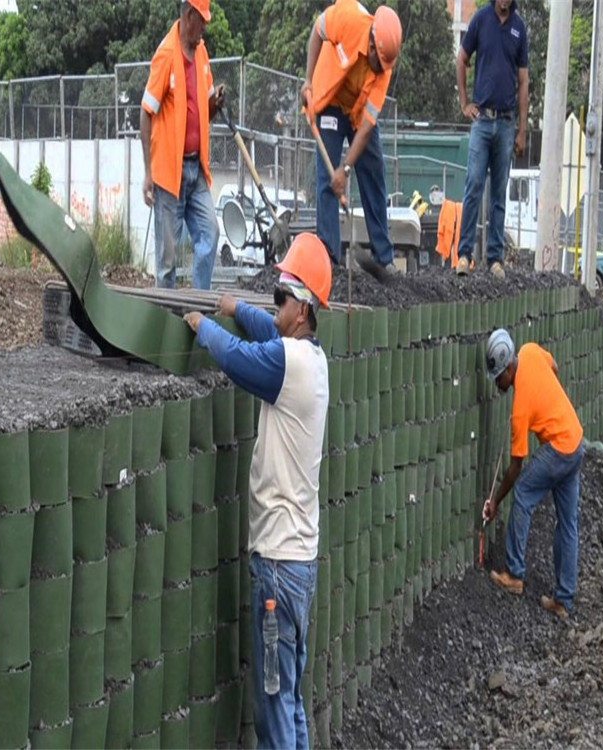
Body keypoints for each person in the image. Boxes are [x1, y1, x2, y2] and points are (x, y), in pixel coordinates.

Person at [183, 233, 330, 748]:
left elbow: (241, 357)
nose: (276, 306)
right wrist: (235, 306)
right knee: (290, 700)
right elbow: (265, 330)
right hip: (299, 564)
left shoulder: (287, 366)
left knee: (273, 711)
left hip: (277, 568)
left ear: (304, 307)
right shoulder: (312, 359)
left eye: (282, 298)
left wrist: (205, 327)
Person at [482, 329, 584, 619]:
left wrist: (495, 503)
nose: (499, 385)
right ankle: (563, 600)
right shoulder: (530, 351)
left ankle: (514, 575)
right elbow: (554, 366)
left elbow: (515, 468)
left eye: (499, 378)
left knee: (524, 491)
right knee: (568, 523)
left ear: (508, 368)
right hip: (575, 440)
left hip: (560, 448)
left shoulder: (519, 409)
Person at [301, 0, 402, 274]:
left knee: (374, 173)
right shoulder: (347, 17)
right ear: (371, 46)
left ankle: (384, 257)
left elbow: (367, 127)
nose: (381, 71)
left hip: (357, 115)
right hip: (331, 103)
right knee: (326, 180)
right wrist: (308, 81)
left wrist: (345, 169)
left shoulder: (384, 68)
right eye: (378, 64)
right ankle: (329, 260)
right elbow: (317, 30)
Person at [140, 0, 225, 290]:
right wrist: (148, 172)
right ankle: (165, 324)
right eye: (203, 20)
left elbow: (207, 111)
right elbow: (146, 112)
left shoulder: (201, 54)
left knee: (210, 233)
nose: (205, 27)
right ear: (189, 15)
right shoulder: (165, 55)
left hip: (196, 170)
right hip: (168, 175)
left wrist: (216, 102)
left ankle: (198, 309)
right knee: (167, 261)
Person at [455, 0, 528, 280]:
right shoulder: (480, 20)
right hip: (482, 121)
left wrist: (522, 130)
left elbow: (523, 81)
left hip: (507, 123)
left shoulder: (519, 29)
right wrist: (464, 103)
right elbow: (461, 60)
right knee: (473, 185)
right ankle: (464, 254)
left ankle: (495, 258)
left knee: (499, 193)